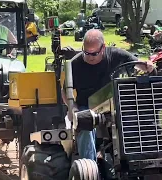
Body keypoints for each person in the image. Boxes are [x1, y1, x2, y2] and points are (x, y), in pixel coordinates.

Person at [61, 29, 154, 162]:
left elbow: (137, 64)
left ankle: (137, 157)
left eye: (94, 53)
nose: (90, 57)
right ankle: (89, 164)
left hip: (114, 103)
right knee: (84, 124)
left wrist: (147, 66)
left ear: (103, 47)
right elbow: (65, 91)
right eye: (86, 52)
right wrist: (73, 109)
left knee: (137, 117)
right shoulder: (75, 64)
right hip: (87, 106)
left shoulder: (116, 54)